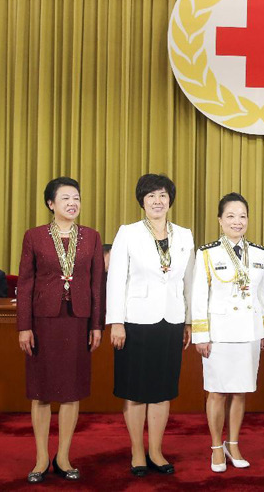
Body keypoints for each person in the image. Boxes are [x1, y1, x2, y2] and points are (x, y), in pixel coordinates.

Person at [106, 174, 194, 477]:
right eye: (151, 196)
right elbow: (115, 280)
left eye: (163, 195)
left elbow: (189, 282)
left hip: (171, 320)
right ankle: (136, 451)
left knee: (162, 390)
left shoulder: (184, 235)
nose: (158, 201)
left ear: (170, 199)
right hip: (135, 322)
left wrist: (190, 321)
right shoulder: (128, 233)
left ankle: (156, 450)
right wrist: (116, 322)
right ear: (142, 201)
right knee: (136, 391)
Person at [17, 177, 104, 483]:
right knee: (40, 392)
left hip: (78, 320)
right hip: (43, 322)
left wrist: (96, 325)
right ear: (51, 204)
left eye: (76, 198)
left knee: (71, 391)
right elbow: (25, 283)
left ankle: (64, 456)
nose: (72, 203)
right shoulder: (35, 237)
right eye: (65, 198)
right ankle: (41, 457)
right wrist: (24, 327)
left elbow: (97, 285)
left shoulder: (91, 237)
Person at [192, 193, 264, 473]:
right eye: (231, 216)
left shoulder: (260, 254)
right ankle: (216, 446)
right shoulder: (207, 254)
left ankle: (233, 442)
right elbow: (198, 296)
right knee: (216, 392)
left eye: (242, 216)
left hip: (248, 332)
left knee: (240, 392)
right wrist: (200, 335)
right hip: (219, 333)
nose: (237, 222)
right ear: (220, 220)